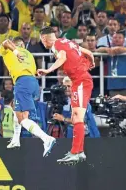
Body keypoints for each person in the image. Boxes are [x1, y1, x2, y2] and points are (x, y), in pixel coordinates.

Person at [37, 26, 95, 165]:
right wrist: (91, 62)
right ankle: (78, 151)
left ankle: (76, 152)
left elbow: (62, 57)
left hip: (80, 81)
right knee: (76, 117)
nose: (43, 44)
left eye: (42, 41)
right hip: (80, 80)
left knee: (77, 116)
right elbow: (88, 52)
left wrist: (48, 70)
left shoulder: (56, 45)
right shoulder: (67, 41)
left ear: (45, 38)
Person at [0, 38, 56, 155]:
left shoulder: (11, 50)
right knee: (18, 110)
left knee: (23, 119)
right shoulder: (29, 54)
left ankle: (46, 138)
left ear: (15, 44)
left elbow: (5, 42)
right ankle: (15, 140)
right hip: (33, 83)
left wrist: (15, 51)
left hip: (22, 82)